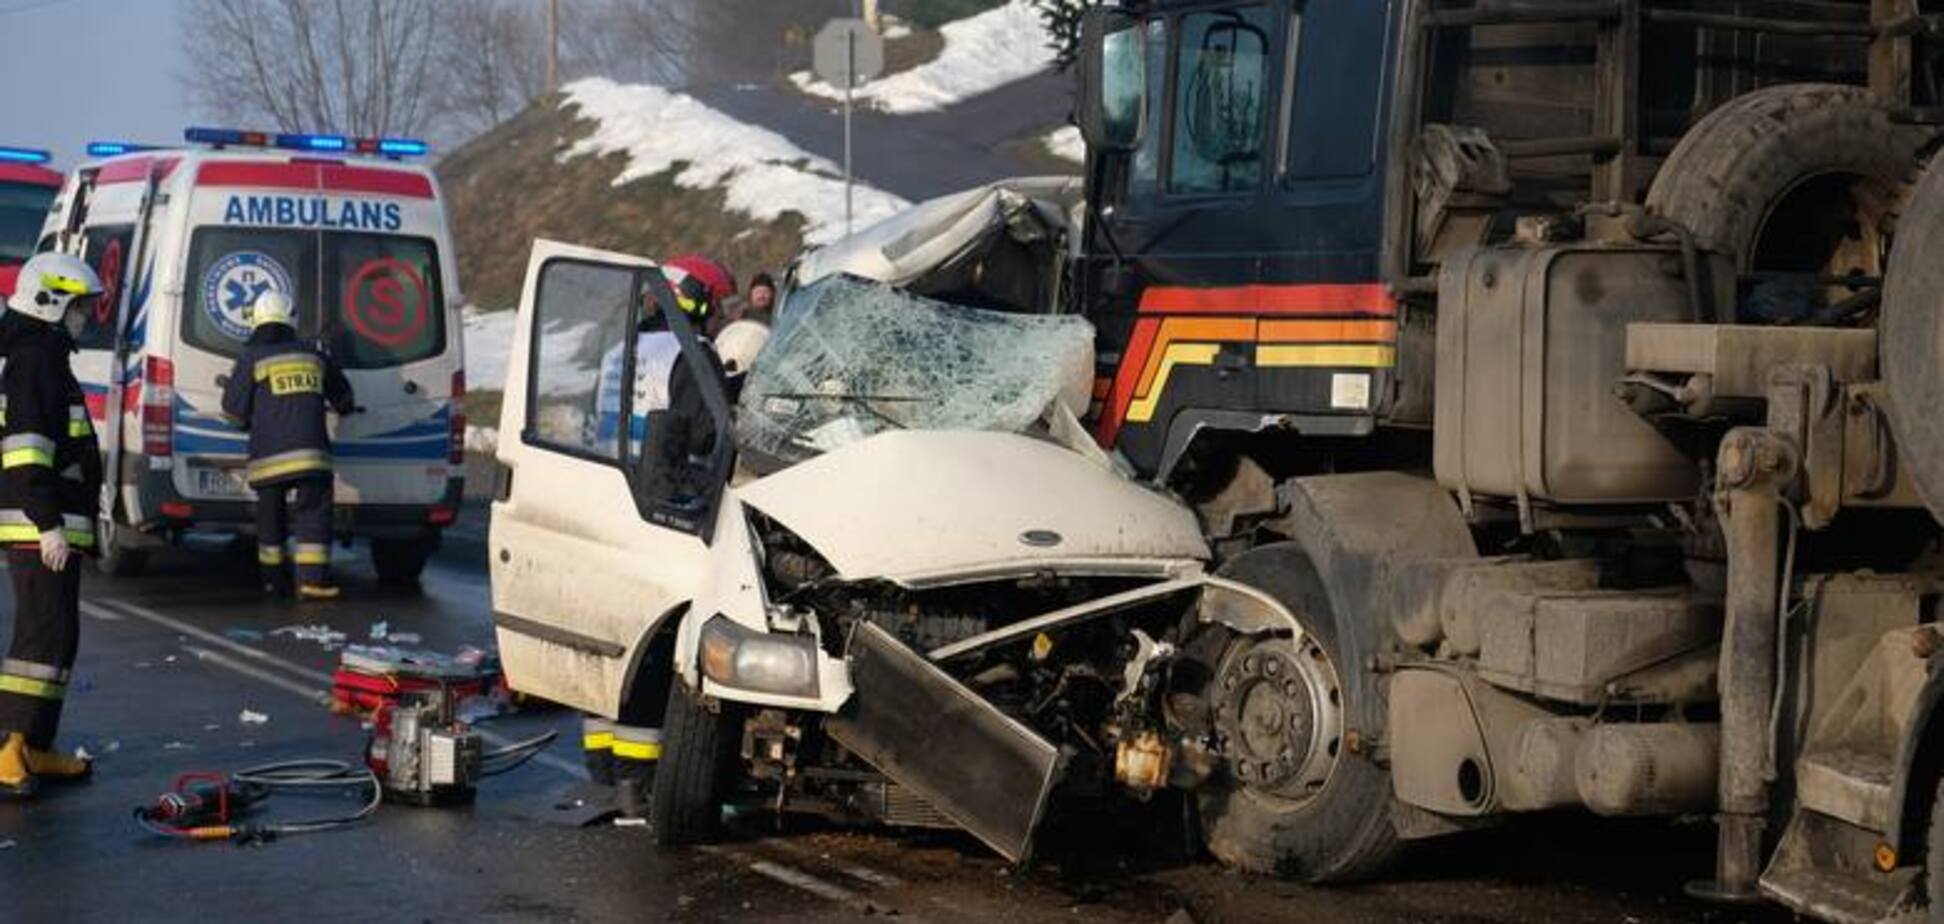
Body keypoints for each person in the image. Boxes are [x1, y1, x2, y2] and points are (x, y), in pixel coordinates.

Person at [0, 253, 106, 798]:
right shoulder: (33, 359)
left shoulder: (45, 356)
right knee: (38, 638)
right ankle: (8, 748)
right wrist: (47, 524)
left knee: (60, 635)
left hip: (51, 521)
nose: (84, 318)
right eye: (80, 308)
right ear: (52, 300)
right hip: (35, 525)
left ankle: (36, 745)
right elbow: (24, 452)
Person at [220, 292, 354, 600]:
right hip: (311, 457)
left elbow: (233, 411)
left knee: (270, 520)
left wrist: (246, 419)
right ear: (291, 319)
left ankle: (273, 581)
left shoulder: (251, 358)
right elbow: (345, 398)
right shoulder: (314, 355)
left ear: (256, 321)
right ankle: (312, 583)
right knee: (313, 515)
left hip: (268, 459)